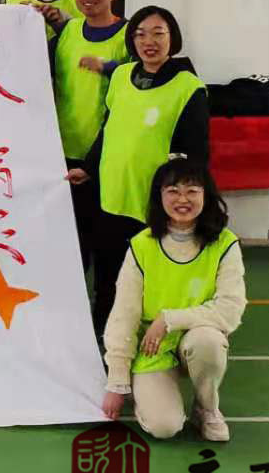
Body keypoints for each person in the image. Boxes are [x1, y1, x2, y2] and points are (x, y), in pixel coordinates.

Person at [70, 5, 208, 335]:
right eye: (141, 34)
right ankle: (105, 332)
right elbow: (109, 128)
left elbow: (195, 153)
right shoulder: (120, 76)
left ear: (173, 39)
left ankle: (154, 336)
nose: (149, 41)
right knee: (108, 272)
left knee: (149, 275)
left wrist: (181, 200)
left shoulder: (189, 87)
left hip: (153, 202)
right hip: (112, 194)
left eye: (158, 33)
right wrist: (89, 168)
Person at [102, 158, 243, 443]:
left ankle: (206, 408)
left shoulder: (225, 243)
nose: (182, 199)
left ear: (206, 195)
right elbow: (124, 314)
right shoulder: (142, 245)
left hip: (195, 335)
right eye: (173, 191)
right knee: (164, 427)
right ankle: (149, 392)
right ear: (160, 196)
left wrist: (169, 319)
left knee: (208, 341)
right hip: (153, 346)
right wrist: (117, 382)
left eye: (192, 191)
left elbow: (230, 310)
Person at [44, 0, 128, 270]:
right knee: (69, 243)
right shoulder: (67, 32)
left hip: (109, 155)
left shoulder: (130, 35)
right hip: (64, 153)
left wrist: (107, 67)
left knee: (107, 244)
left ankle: (107, 300)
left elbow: (145, 77)